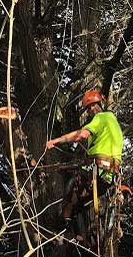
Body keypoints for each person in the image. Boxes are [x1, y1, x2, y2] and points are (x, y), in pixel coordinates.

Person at [46, 89, 123, 220]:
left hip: (99, 169)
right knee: (80, 204)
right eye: (89, 107)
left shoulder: (101, 117)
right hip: (110, 176)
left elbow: (82, 134)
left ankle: (63, 223)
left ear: (102, 103)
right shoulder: (114, 123)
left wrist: (55, 141)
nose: (92, 109)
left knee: (71, 191)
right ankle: (76, 230)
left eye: (94, 104)